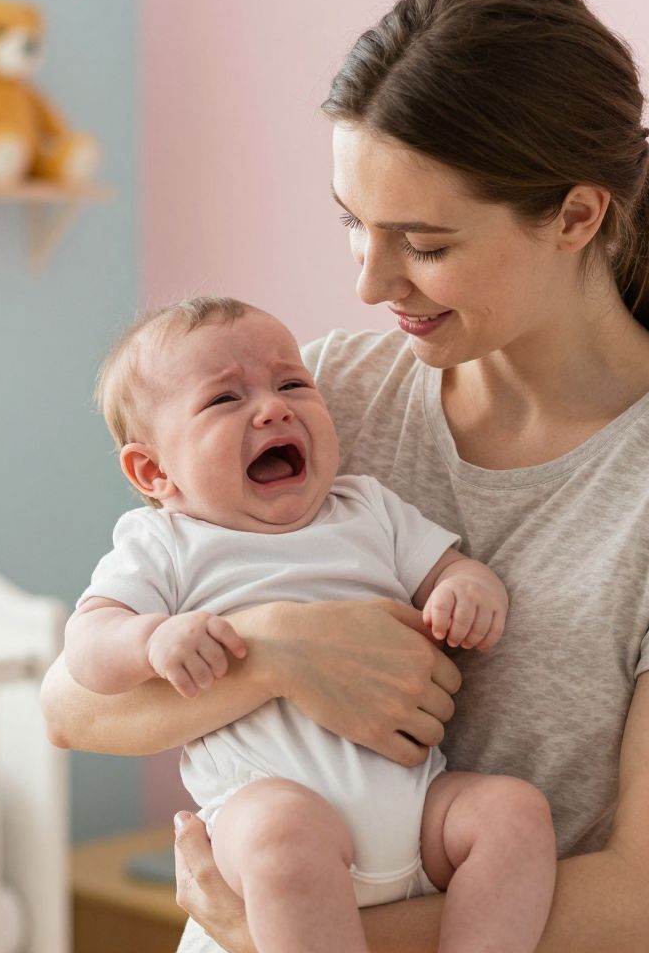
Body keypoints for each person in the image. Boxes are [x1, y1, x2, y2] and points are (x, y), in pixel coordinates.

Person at [42, 0, 649, 953]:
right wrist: (280, 650)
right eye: (353, 224)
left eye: (422, 243)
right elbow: (73, 706)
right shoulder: (323, 394)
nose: (371, 283)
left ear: (576, 216)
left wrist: (271, 928)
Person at [63, 296, 555, 952]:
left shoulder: (367, 508)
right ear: (153, 470)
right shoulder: (164, 544)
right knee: (282, 832)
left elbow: (450, 569)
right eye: (224, 399)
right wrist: (150, 641)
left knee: (513, 813)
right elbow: (86, 647)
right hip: (267, 812)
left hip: (418, 813)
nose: (273, 408)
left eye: (293, 384)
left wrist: (467, 590)